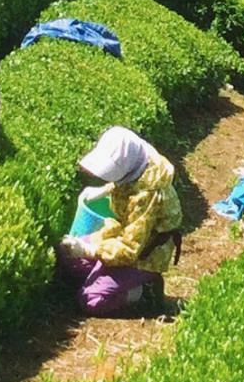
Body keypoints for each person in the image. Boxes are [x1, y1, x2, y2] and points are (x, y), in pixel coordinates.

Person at [59, 126, 183, 316]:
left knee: (91, 300)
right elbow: (126, 182)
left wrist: (88, 250)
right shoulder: (140, 164)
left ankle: (143, 291)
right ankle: (110, 277)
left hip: (145, 255)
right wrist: (107, 189)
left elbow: (130, 250)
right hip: (121, 233)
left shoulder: (147, 196)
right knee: (68, 258)